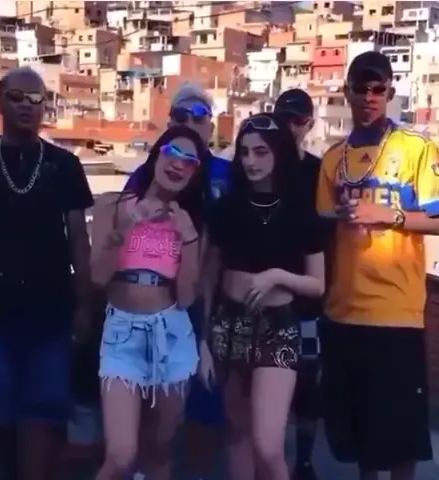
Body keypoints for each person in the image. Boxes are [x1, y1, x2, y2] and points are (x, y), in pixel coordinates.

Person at [0, 67, 94, 480]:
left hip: (51, 311)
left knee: (41, 415)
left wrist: (85, 303)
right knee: (2, 417)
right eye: (17, 97)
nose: (27, 106)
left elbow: (79, 240)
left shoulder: (66, 165)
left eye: (36, 99)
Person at [317, 51, 437, 480]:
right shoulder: (333, 158)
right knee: (362, 442)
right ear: (347, 92)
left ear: (389, 92)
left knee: (402, 442)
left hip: (397, 315)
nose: (369, 96)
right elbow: (323, 237)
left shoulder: (417, 148)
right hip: (344, 314)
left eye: (378, 88)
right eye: (361, 87)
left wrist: (390, 215)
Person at [200, 113, 326, 480]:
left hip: (277, 329)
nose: (251, 161)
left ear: (278, 154)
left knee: (268, 446)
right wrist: (203, 339)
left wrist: (277, 276)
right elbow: (208, 278)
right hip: (229, 325)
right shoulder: (226, 208)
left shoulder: (302, 212)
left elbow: (318, 284)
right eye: (244, 152)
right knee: (236, 435)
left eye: (260, 152)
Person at [91, 125, 208, 480]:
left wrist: (188, 237)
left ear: (195, 173)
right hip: (122, 334)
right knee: (121, 455)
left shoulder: (192, 221)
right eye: (173, 153)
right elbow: (97, 277)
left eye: (190, 161)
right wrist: (127, 227)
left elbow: (186, 297)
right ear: (157, 155)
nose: (178, 164)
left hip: (171, 334)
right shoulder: (113, 204)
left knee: (159, 448)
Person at [125, 82, 229, 479]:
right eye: (180, 116)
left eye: (198, 116)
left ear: (211, 125)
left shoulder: (227, 175)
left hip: (213, 304)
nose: (188, 122)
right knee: (152, 418)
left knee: (206, 410)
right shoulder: (145, 173)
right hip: (152, 305)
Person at [274, 89, 324, 480]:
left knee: (307, 385)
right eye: (284, 120)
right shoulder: (259, 164)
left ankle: (303, 461)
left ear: (309, 125)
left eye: (298, 121)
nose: (291, 128)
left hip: (308, 295)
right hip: (266, 296)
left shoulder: (319, 172)